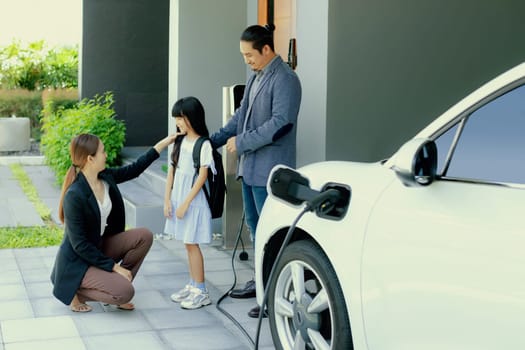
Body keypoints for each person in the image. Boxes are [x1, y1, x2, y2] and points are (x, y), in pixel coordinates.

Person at [209, 24, 302, 318]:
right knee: (255, 230)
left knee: (272, 232)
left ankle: (274, 294)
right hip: (250, 170)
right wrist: (215, 139)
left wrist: (242, 142)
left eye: (249, 54)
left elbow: (281, 123)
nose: (246, 60)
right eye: (243, 55)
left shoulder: (285, 78)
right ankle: (262, 282)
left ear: (266, 49)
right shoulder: (255, 76)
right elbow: (241, 115)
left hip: (270, 172)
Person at [50, 133, 176, 312]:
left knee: (144, 236)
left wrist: (162, 144)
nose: (106, 154)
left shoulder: (105, 177)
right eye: (103, 151)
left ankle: (112, 283)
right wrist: (115, 267)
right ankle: (75, 289)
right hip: (78, 261)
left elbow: (135, 169)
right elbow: (80, 245)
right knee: (125, 293)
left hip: (99, 247)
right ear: (90, 159)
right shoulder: (75, 195)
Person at [163, 97, 215, 310]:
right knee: (187, 243)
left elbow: (202, 177)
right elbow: (172, 171)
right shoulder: (179, 141)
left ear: (192, 117)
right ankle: (193, 285)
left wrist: (185, 203)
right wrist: (167, 199)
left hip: (193, 201)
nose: (178, 123)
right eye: (176, 119)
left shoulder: (204, 144)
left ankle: (201, 290)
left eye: (181, 118)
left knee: (192, 244)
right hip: (179, 198)